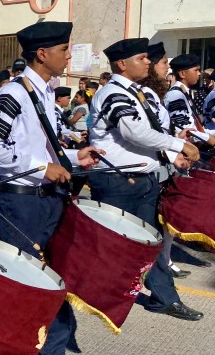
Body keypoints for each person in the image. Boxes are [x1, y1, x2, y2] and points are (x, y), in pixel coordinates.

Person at [0, 21, 102, 355]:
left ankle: (51, 350)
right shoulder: (13, 94)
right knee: (27, 277)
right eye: (64, 49)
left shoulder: (46, 92)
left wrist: (76, 157)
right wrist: (40, 168)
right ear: (42, 54)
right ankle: (11, 346)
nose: (69, 55)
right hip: (22, 201)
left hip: (48, 198)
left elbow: (43, 145)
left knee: (56, 272)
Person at [88, 38, 202, 321]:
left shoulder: (136, 93)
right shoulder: (113, 93)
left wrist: (169, 154)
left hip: (141, 179)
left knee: (151, 242)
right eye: (142, 58)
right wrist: (178, 146)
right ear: (122, 64)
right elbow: (133, 133)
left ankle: (165, 298)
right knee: (115, 244)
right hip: (119, 182)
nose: (149, 62)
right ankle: (97, 294)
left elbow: (150, 133)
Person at [140, 42, 191, 279]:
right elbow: (150, 135)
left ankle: (164, 263)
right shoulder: (148, 94)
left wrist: (176, 138)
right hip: (156, 165)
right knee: (158, 221)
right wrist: (177, 146)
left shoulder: (155, 94)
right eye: (162, 63)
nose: (166, 68)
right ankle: (159, 267)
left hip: (165, 161)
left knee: (163, 220)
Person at [165, 54, 215, 144]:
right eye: (196, 70)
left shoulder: (184, 93)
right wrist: (208, 138)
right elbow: (182, 130)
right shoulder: (176, 95)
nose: (199, 73)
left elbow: (195, 128)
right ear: (182, 74)